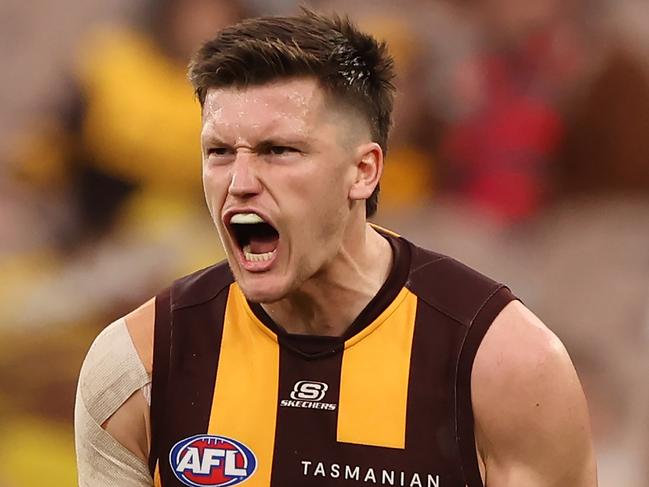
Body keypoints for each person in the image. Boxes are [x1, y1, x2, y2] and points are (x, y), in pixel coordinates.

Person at [74, 9, 597, 487]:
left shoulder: (506, 364)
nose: (240, 181)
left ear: (363, 170)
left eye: (278, 150)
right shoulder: (136, 367)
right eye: (218, 152)